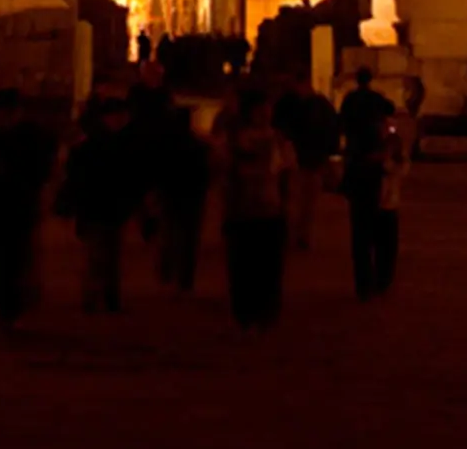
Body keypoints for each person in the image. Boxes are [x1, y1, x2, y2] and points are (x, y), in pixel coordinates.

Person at [0, 86, 54, 321]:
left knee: (14, 257)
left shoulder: (26, 135)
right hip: (4, 203)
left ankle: (10, 304)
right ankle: (8, 303)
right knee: (5, 258)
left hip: (18, 202)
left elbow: (41, 167)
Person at [221, 79, 295, 328]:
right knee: (245, 265)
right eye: (261, 109)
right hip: (244, 212)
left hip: (270, 211)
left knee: (268, 266)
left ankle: (265, 311)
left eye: (268, 109)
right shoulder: (236, 138)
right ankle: (248, 311)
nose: (265, 114)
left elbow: (286, 172)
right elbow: (227, 173)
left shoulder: (277, 139)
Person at [59, 93, 140, 311]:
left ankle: (99, 297)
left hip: (98, 207)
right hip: (102, 206)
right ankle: (103, 298)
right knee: (104, 255)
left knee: (102, 254)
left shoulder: (93, 141)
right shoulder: (107, 143)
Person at [133, 80, 209, 294]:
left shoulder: (164, 143)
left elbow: (156, 169)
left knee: (169, 236)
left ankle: (167, 274)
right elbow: (205, 171)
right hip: (191, 198)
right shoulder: (197, 145)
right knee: (187, 240)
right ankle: (184, 279)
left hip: (172, 195)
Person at [338, 70, 403, 298]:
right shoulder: (377, 104)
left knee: (361, 235)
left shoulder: (350, 101)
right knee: (384, 235)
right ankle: (381, 280)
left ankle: (364, 283)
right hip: (374, 177)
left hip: (358, 172)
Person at [273, 76, 343, 262]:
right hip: (313, 159)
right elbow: (333, 129)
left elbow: (281, 129)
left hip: (297, 158)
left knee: (293, 200)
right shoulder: (321, 105)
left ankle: (292, 235)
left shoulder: (291, 104)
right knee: (306, 202)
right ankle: (302, 235)